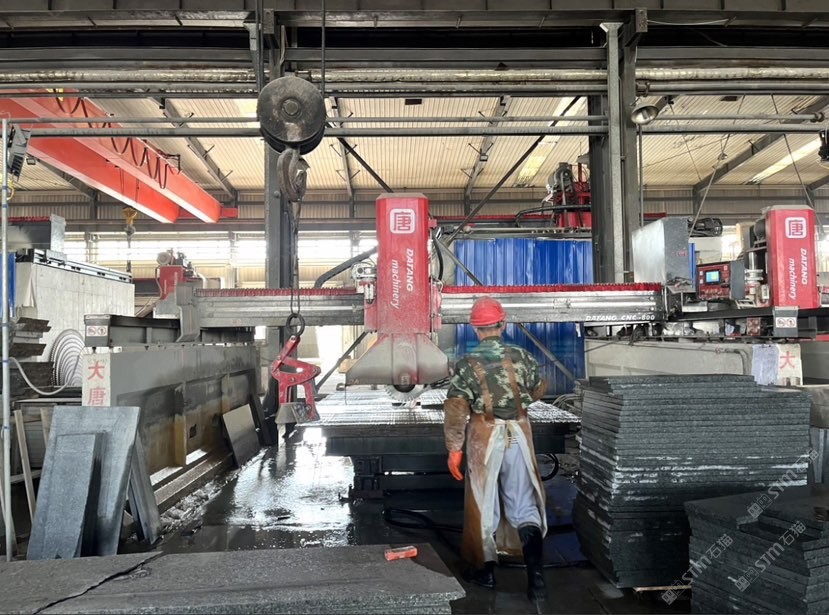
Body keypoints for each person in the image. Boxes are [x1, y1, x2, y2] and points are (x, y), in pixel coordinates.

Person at [443, 296, 548, 601]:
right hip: (519, 432)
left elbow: (456, 408)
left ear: (475, 329)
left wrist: (455, 449)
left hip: (484, 435)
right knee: (524, 500)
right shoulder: (523, 356)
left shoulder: (466, 364)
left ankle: (485, 573)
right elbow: (540, 388)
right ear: (502, 325)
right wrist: (516, 403)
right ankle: (536, 580)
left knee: (483, 502)